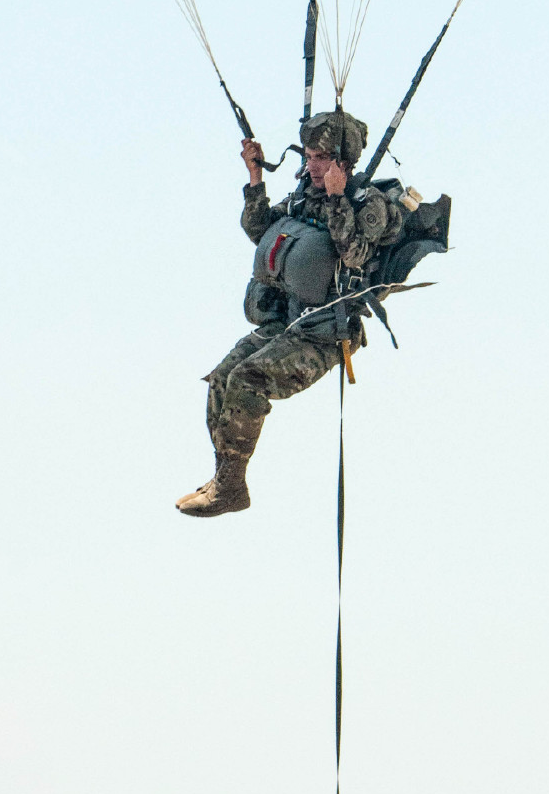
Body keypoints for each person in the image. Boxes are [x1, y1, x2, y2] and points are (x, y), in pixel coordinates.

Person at [176, 106, 422, 519]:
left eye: (320, 158)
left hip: (324, 333)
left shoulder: (368, 205)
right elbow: (260, 232)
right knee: (221, 379)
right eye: (307, 156)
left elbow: (356, 254)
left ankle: (230, 487)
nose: (310, 166)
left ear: (342, 162)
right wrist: (256, 179)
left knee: (248, 381)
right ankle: (226, 479)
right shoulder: (304, 195)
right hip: (286, 320)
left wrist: (339, 198)